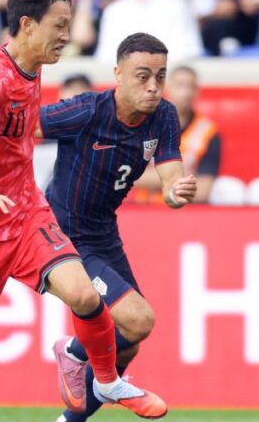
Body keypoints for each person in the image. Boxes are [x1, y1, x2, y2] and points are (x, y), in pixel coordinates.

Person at [0, 0, 167, 422]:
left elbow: (39, 4)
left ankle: (108, 380)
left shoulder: (31, 56)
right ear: (28, 25)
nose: (66, 35)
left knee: (84, 295)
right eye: (59, 26)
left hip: (24, 211)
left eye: (68, 25)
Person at [42, 33, 196, 422]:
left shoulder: (164, 115)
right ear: (118, 74)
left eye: (160, 77)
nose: (153, 86)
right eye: (143, 76)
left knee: (127, 345)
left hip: (103, 233)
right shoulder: (86, 111)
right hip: (65, 233)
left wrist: (178, 192)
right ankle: (74, 351)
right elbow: (22, 128)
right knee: (138, 319)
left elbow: (171, 186)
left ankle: (68, 420)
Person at [132, 65, 220, 205]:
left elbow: (203, 191)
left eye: (191, 86)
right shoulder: (144, 124)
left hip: (184, 211)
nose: (185, 92)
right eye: (179, 85)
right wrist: (180, 175)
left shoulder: (208, 132)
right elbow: (128, 175)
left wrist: (154, 176)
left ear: (197, 91)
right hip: (145, 208)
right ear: (167, 87)